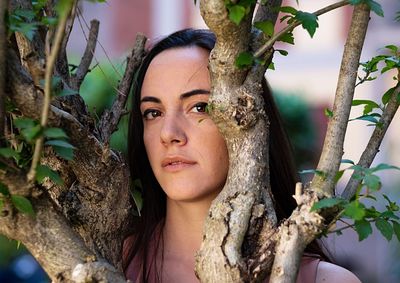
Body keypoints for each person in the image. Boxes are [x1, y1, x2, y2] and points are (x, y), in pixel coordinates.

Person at [123, 29, 360, 283]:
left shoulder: (326, 281)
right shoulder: (104, 261)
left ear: (247, 119)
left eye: (200, 107)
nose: (169, 134)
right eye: (153, 113)